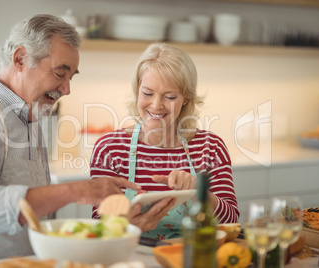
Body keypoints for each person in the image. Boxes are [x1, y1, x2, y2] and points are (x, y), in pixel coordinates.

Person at [0, 14, 139, 266]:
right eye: (60, 73)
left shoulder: (32, 120)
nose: (66, 89)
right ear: (20, 59)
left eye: (71, 77)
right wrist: (76, 190)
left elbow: (39, 216)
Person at [90, 43, 239, 240]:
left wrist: (199, 192)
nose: (156, 105)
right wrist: (126, 226)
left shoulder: (210, 147)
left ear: (186, 98)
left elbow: (231, 223)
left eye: (169, 96)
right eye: (147, 93)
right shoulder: (109, 149)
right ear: (137, 91)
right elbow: (98, 227)